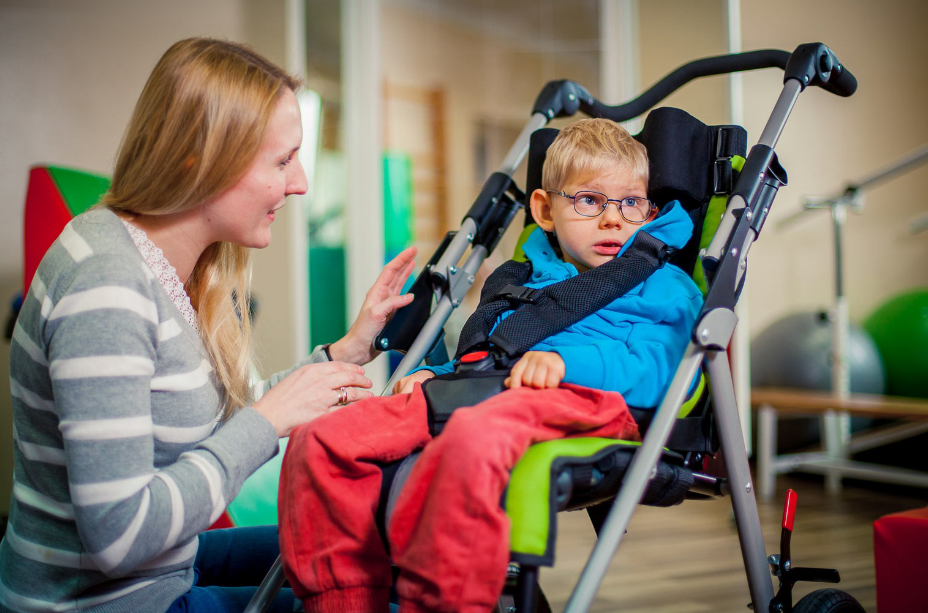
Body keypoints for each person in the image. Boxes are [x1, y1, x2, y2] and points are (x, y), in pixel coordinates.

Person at [0, 38, 417, 613]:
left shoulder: (159, 262)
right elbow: (120, 537)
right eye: (282, 160)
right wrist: (267, 423)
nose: (300, 183)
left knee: (384, 552)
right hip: (108, 600)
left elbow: (203, 430)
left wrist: (341, 354)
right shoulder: (107, 287)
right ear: (201, 159)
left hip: (162, 568)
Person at [277, 118, 705, 613]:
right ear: (544, 210)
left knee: (470, 441)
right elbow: (487, 354)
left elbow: (661, 368)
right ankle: (343, 603)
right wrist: (440, 377)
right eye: (588, 200)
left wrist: (567, 362)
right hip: (495, 390)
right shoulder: (519, 280)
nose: (614, 220)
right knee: (324, 438)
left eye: (631, 203)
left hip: (592, 401)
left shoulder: (665, 286)